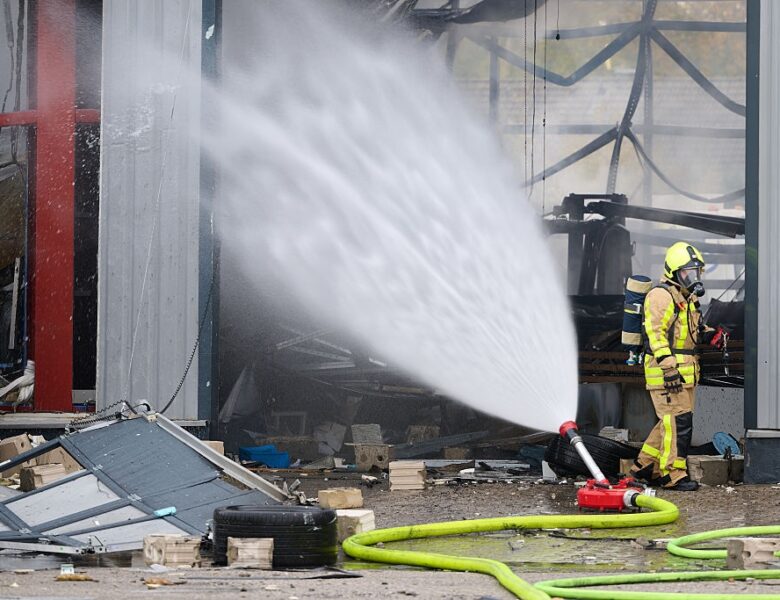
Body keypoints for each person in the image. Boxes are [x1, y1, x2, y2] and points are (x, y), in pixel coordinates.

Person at [630, 242, 713, 492]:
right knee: (678, 424)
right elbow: (655, 335)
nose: (693, 277)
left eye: (696, 272)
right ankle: (672, 475)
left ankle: (643, 467)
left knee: (669, 423)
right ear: (674, 272)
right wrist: (668, 368)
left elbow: (688, 335)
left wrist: (710, 335)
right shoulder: (661, 296)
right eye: (688, 272)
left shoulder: (686, 300)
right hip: (668, 374)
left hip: (685, 374)